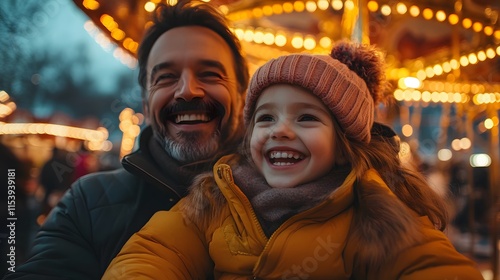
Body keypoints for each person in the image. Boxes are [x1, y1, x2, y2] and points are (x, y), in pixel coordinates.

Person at [103, 41, 484, 279]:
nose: (280, 131)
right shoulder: (218, 198)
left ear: (342, 145)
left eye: (306, 118)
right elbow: (157, 251)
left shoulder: (377, 214)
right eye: (265, 118)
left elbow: (429, 264)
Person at [3, 0, 249, 279]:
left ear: (243, 97)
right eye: (166, 77)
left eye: (210, 74)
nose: (187, 91)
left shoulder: (293, 196)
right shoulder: (88, 203)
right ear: (146, 103)